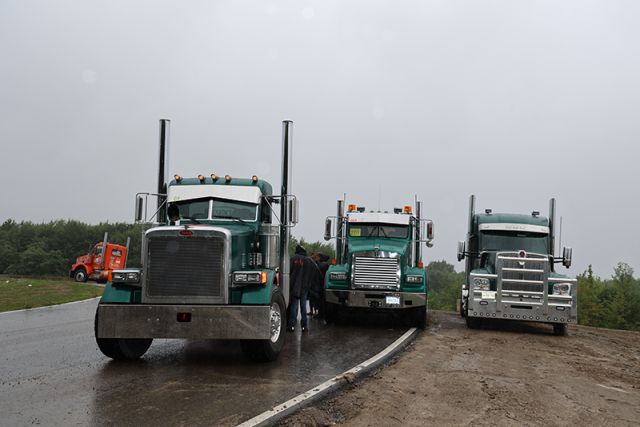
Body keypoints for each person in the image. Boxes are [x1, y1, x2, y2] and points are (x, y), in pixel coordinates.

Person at [287, 244, 313, 332]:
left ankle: (291, 325)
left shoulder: (293, 259)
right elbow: (311, 274)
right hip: (305, 287)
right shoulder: (308, 260)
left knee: (294, 306)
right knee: (303, 306)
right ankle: (304, 326)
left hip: (294, 286)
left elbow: (288, 272)